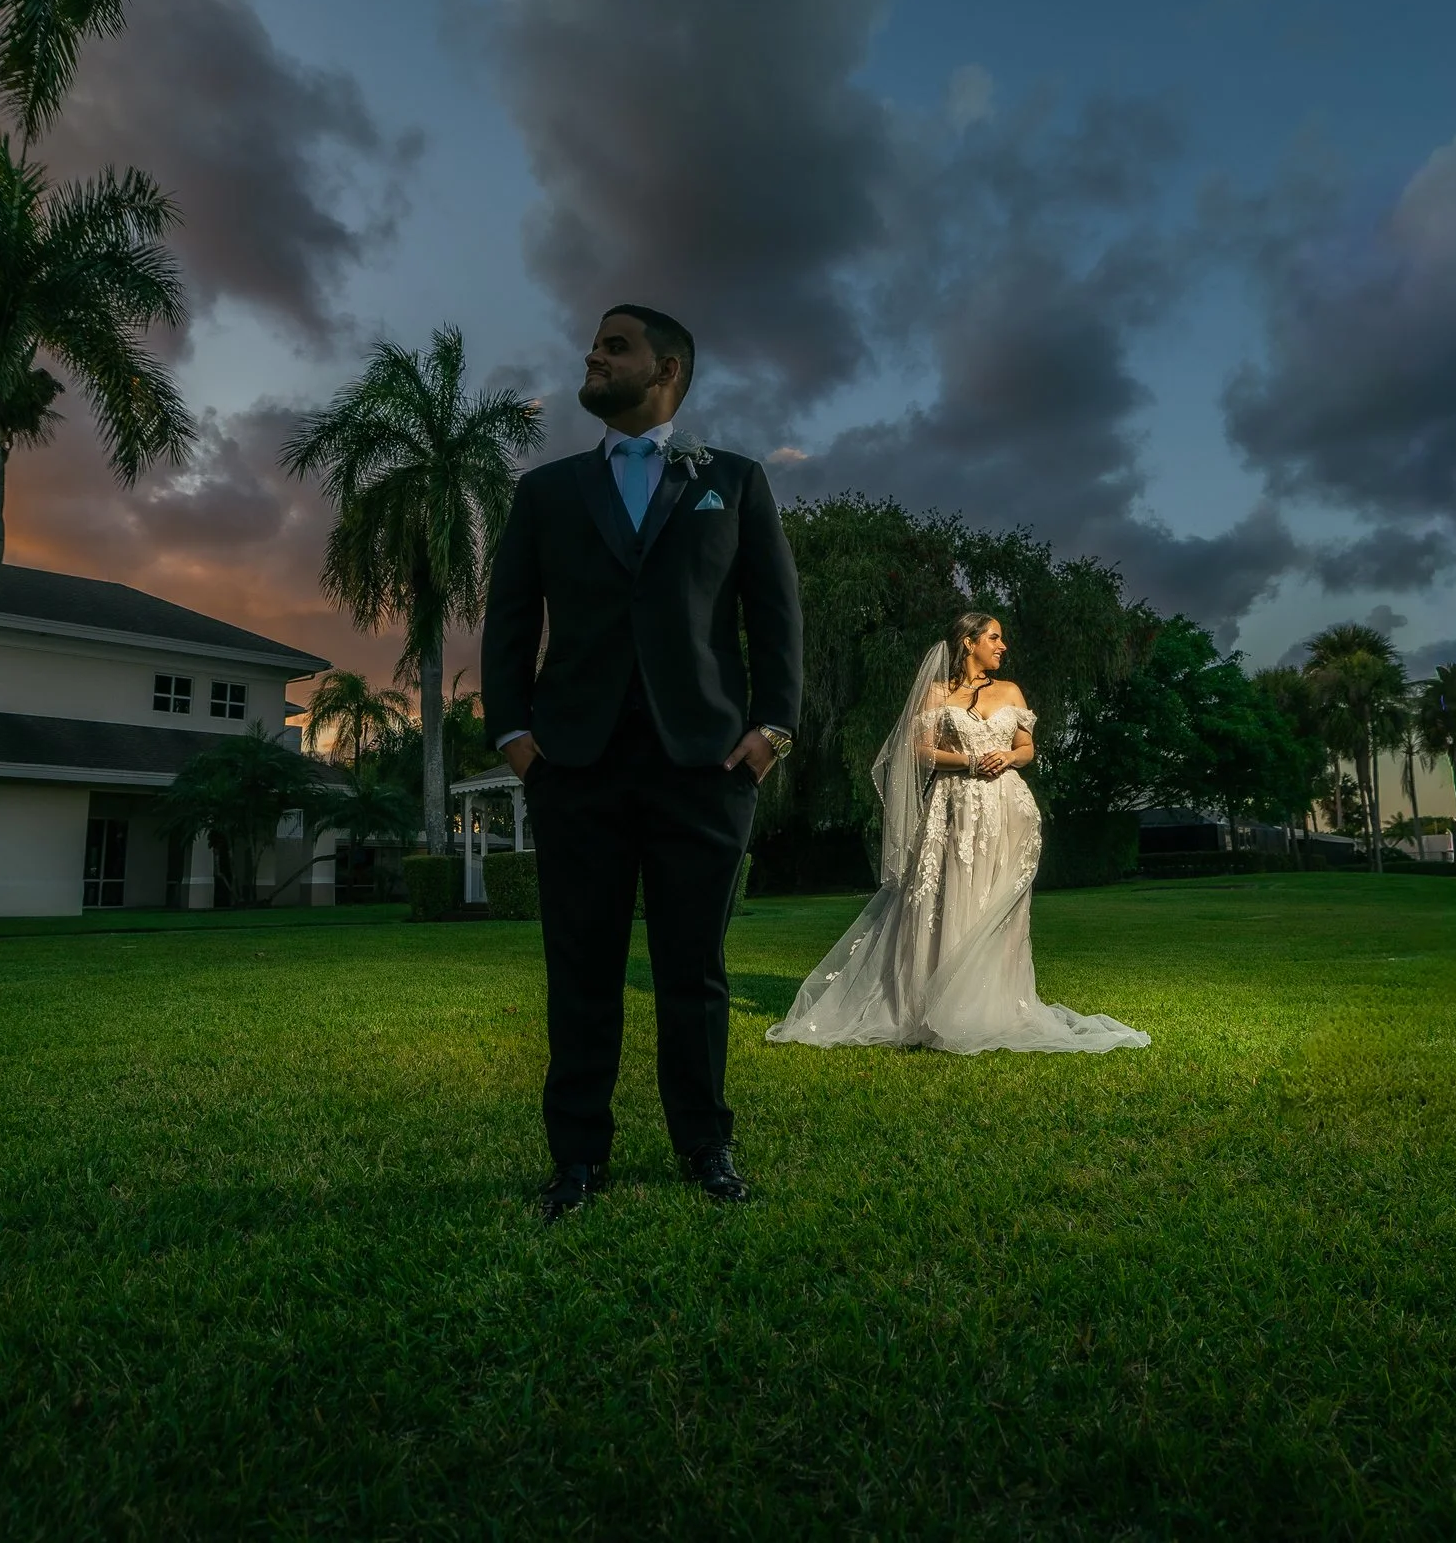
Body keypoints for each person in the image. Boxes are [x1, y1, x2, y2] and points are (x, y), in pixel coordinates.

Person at [482, 304, 803, 1221]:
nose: (592, 355)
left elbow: (776, 618)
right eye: (594, 344)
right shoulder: (544, 493)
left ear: (665, 370)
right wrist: (514, 735)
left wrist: (771, 730)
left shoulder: (733, 483)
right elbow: (510, 620)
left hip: (705, 763)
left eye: (613, 346)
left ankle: (705, 1144)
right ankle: (577, 1157)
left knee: (693, 967)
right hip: (573, 764)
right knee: (579, 964)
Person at [767, 614, 1148, 1055]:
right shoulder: (936, 694)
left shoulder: (1011, 691)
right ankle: (933, 1005)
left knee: (997, 900)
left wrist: (1006, 756)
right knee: (947, 897)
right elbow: (919, 750)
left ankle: (995, 1004)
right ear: (969, 643)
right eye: (994, 637)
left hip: (1008, 808)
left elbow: (1027, 748)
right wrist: (967, 762)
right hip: (954, 807)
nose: (1002, 646)